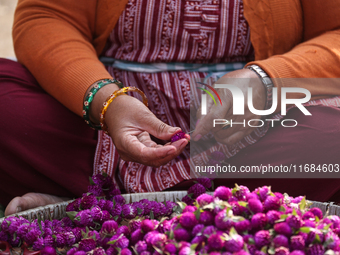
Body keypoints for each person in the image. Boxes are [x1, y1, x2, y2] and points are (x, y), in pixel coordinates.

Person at [1, 0, 340, 216]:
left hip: (250, 124)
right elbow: (47, 16)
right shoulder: (107, 105)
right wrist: (107, 102)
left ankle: (87, 202)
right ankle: (230, 209)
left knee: (332, 138)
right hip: (104, 121)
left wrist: (264, 80)